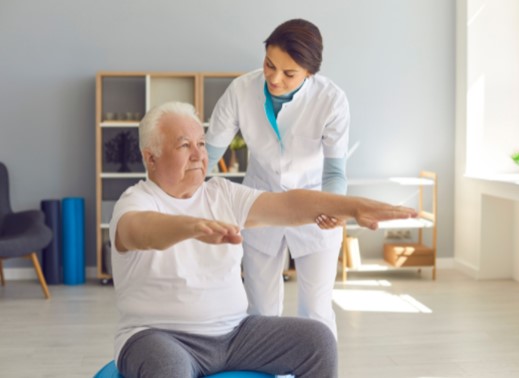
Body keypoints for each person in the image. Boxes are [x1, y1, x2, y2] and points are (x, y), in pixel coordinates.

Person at [110, 101, 417, 378]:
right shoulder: (135, 202)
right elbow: (143, 231)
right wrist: (192, 227)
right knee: (169, 368)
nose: (198, 154)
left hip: (235, 334)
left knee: (317, 340)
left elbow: (289, 205)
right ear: (151, 158)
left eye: (202, 144)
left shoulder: (222, 193)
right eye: (184, 145)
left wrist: (354, 207)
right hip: (158, 336)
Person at [205, 18, 350, 337]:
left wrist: (334, 208)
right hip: (261, 201)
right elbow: (209, 155)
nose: (274, 78)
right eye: (270, 65)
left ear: (310, 73)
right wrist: (182, 199)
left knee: (316, 311)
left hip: (315, 206)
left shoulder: (331, 100)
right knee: (261, 311)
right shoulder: (241, 90)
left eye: (289, 73)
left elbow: (335, 171)